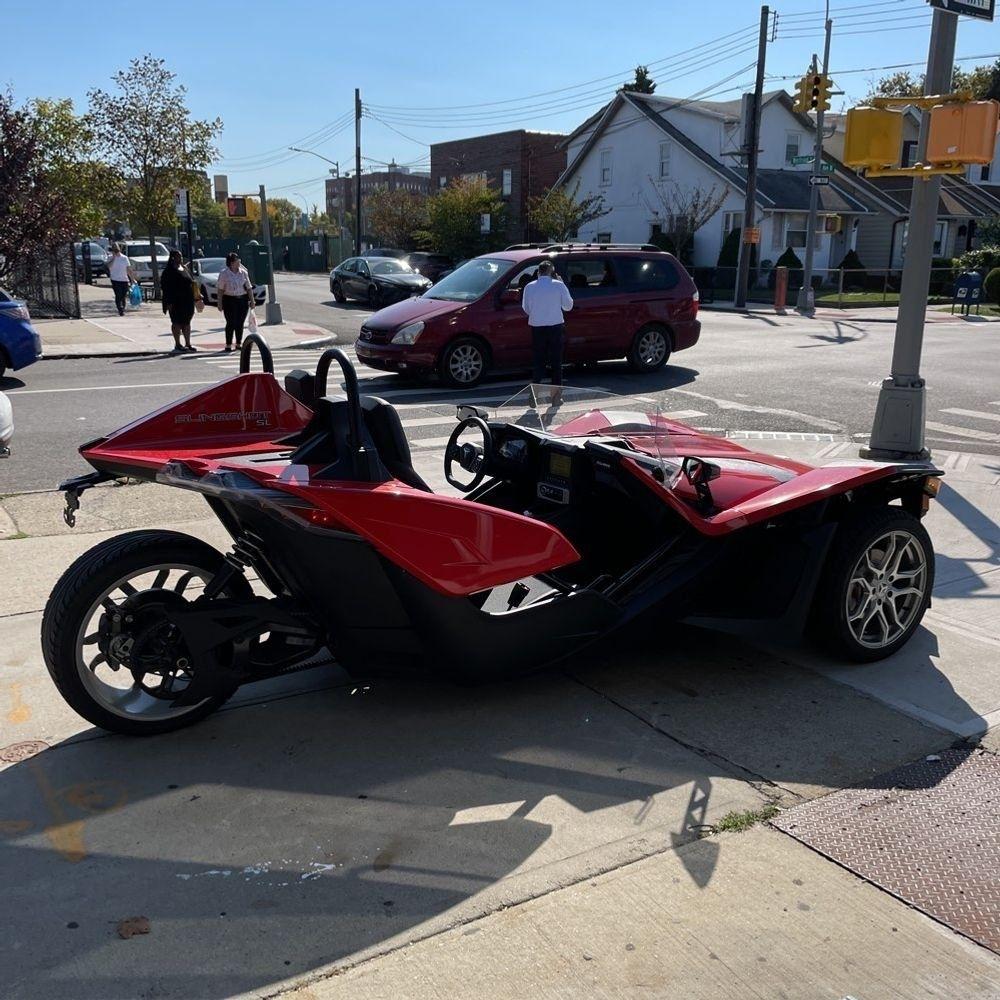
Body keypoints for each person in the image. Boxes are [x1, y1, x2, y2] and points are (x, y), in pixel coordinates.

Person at [521, 260, 573, 396]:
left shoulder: (529, 287)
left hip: (537, 327)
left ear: (538, 272)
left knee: (539, 361)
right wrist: (562, 283)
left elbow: (526, 308)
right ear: (552, 273)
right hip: (555, 326)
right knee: (556, 362)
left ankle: (534, 392)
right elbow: (568, 306)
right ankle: (556, 396)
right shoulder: (559, 285)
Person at [160, 250, 199, 352]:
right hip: (175, 301)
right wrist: (168, 302)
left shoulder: (185, 268)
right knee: (176, 322)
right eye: (178, 256)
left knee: (187, 322)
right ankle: (178, 344)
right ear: (173, 258)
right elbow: (165, 288)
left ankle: (188, 344)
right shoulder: (169, 271)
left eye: (181, 256)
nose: (180, 258)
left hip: (188, 300)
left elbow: (191, 282)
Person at [216, 252, 254, 351]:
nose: (239, 262)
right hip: (229, 300)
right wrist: (219, 303)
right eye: (237, 260)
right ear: (231, 263)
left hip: (242, 299)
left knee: (240, 322)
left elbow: (249, 287)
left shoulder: (243, 272)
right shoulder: (224, 273)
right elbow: (220, 289)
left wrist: (252, 301)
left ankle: (238, 343)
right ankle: (228, 344)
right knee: (231, 322)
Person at [107, 244, 136, 316]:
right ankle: (120, 309)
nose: (116, 252)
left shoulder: (124, 258)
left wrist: (132, 279)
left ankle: (123, 307)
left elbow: (128, 269)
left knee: (123, 295)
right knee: (118, 295)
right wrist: (113, 258)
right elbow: (109, 266)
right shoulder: (110, 258)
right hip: (115, 279)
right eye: (114, 250)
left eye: (117, 250)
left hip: (124, 279)